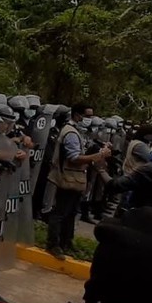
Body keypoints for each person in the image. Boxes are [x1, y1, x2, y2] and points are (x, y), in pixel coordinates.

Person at [45, 103, 110, 260]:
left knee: (71, 212)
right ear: (77, 115)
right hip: (68, 178)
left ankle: (66, 243)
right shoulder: (71, 133)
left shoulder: (76, 132)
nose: (89, 119)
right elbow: (74, 158)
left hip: (74, 178)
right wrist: (99, 156)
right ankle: (53, 244)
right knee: (61, 212)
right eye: (87, 116)